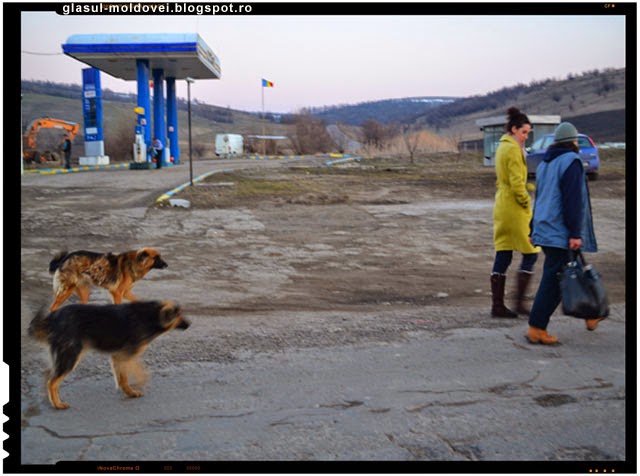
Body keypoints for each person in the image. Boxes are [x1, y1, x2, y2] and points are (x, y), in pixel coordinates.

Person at [526, 122, 599, 345]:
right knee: (556, 280)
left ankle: (592, 312)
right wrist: (575, 233)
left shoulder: (545, 164)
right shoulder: (572, 162)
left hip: (545, 226)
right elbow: (572, 200)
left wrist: (532, 227)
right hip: (561, 230)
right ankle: (537, 327)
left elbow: (540, 198)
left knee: (572, 272)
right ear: (573, 141)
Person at [490, 107, 540, 318]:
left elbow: (507, 180)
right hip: (514, 208)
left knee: (504, 251)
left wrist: (527, 188)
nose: (526, 137)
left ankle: (498, 305)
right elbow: (516, 182)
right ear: (514, 129)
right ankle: (517, 303)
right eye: (524, 132)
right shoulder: (512, 149)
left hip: (503, 204)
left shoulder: (503, 146)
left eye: (528, 133)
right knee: (530, 251)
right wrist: (526, 201)